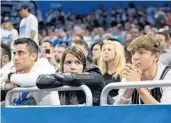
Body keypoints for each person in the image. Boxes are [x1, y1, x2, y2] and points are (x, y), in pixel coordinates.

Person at [36, 46, 113, 105]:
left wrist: (63, 78)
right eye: (68, 62)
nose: (73, 67)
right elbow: (40, 81)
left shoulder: (94, 74)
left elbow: (73, 79)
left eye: (78, 62)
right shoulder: (60, 73)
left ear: (84, 65)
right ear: (62, 65)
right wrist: (65, 78)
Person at [1, 38, 60, 106]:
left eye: (20, 53)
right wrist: (4, 86)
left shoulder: (44, 64)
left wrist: (9, 76)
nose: (15, 57)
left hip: (49, 115)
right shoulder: (14, 70)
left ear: (33, 56)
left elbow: (33, 79)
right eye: (14, 53)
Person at [118, 35, 171, 104]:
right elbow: (118, 111)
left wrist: (137, 84)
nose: (135, 57)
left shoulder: (168, 76)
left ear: (156, 56)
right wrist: (129, 90)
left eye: (141, 52)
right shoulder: (130, 75)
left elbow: (164, 111)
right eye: (133, 53)